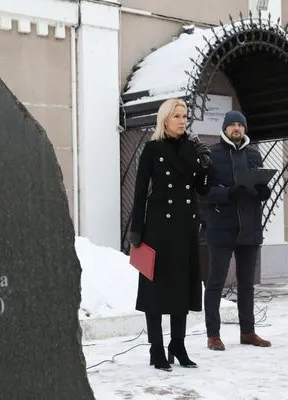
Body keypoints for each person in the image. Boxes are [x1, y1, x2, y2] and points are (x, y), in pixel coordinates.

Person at [129, 98, 211, 371]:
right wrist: (136, 230)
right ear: (165, 119)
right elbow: (140, 192)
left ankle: (178, 344)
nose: (182, 120)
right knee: (155, 292)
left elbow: (203, 188)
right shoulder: (152, 149)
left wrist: (205, 164)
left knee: (181, 289)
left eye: (185, 115)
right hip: (157, 230)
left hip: (185, 228)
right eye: (177, 115)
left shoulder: (191, 148)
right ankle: (156, 349)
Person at [203, 110, 272, 351]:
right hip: (222, 227)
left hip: (249, 227)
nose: (236, 129)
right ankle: (213, 335)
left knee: (246, 284)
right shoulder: (212, 154)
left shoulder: (254, 154)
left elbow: (260, 185)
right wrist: (229, 193)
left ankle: (248, 332)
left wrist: (264, 191)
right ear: (224, 128)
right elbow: (204, 192)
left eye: (240, 125)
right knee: (215, 282)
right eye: (232, 125)